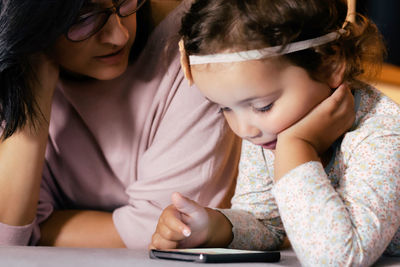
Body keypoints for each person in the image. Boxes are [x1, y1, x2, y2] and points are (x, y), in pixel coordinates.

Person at [150, 0, 400, 265]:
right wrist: (213, 227)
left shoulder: (382, 134)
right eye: (226, 108)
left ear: (331, 64)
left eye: (263, 106)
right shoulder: (269, 131)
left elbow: (337, 258)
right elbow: (267, 224)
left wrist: (297, 145)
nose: (244, 129)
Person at [0, 0, 241, 248]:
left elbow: (174, 230)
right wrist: (32, 96)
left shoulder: (198, 42)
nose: (119, 35)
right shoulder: (15, 62)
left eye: (124, 2)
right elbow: (6, 239)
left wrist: (37, 230)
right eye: (84, 18)